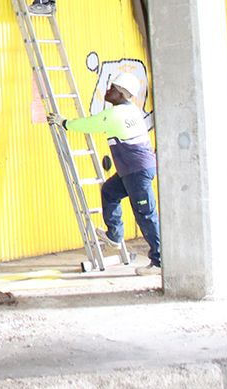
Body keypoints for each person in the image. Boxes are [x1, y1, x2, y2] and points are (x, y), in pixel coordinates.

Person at [48, 72, 161, 276]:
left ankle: (159, 261)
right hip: (132, 170)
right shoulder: (131, 111)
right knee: (110, 191)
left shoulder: (116, 114)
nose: (108, 91)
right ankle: (115, 236)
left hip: (136, 171)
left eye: (112, 89)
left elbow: (89, 124)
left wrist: (64, 123)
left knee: (146, 215)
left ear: (121, 94)